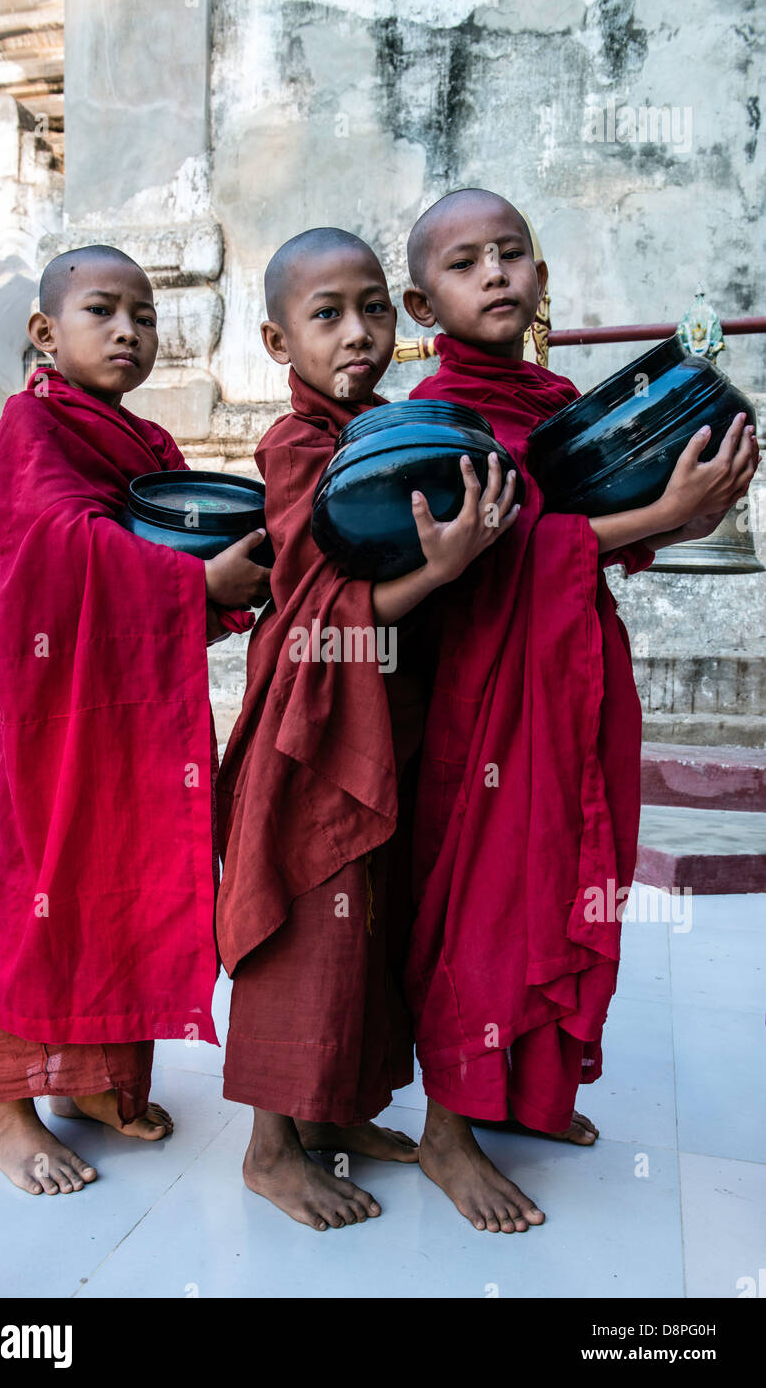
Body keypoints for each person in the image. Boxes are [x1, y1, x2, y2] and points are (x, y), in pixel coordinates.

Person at [400, 188, 760, 1233]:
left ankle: (527, 1087)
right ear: (427, 305)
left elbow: (604, 534)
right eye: (466, 263)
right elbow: (505, 545)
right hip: (486, 689)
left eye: (511, 254)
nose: (497, 274)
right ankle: (445, 1127)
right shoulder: (434, 415)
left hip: (576, 667)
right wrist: (660, 512)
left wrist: (691, 508)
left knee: (573, 868)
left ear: (542, 276)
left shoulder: (561, 400)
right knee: (487, 884)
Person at [0, 245, 270, 1196]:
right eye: (103, 311)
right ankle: (5, 1112)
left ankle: (92, 1082)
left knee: (120, 880)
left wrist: (214, 586)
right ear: (46, 333)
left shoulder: (151, 448)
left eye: (144, 314)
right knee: (35, 884)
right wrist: (192, 583)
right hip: (51, 719)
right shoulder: (30, 422)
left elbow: (163, 545)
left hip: (132, 716)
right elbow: (51, 546)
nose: (129, 330)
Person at [215, 226, 519, 1231]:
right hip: (313, 723)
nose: (359, 333)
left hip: (387, 712)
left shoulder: (389, 432)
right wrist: (438, 568)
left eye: (374, 308)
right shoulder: (296, 445)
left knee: (373, 923)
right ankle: (267, 1150)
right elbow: (319, 604)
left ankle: (330, 1112)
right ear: (274, 339)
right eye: (326, 314)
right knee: (305, 911)